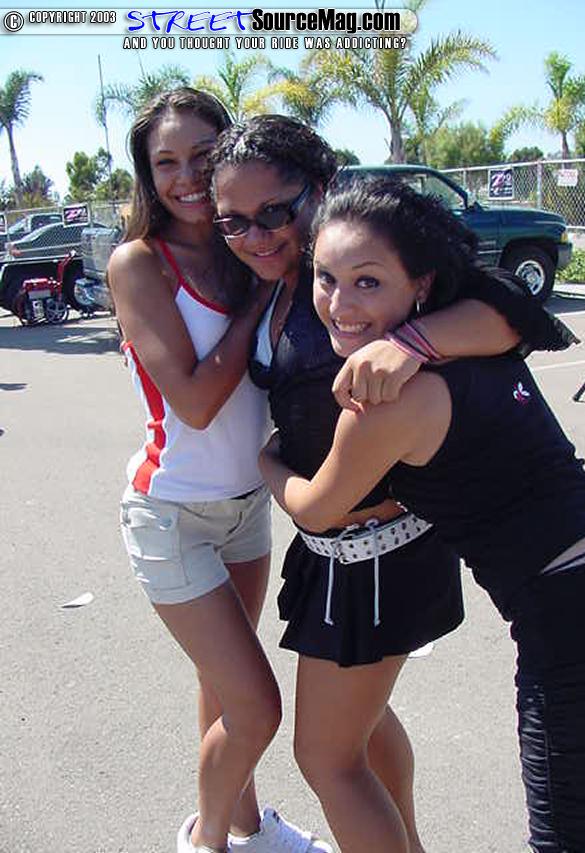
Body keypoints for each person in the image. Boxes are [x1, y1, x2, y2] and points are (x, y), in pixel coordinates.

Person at [208, 115, 576, 853]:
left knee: (329, 758)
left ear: (318, 192)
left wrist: (413, 341)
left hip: (372, 548)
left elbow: (509, 310)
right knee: (363, 732)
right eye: (233, 221)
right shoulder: (291, 283)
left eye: (274, 212)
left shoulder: (360, 278)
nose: (256, 234)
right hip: (342, 551)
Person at [258, 176, 585, 853]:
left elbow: (317, 510)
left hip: (575, 617)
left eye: (368, 281)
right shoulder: (474, 337)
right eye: (326, 279)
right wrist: (413, 339)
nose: (340, 304)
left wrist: (268, 462)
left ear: (421, 284)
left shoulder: (385, 403)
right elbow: (514, 312)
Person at [108, 88, 333, 853]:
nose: (185, 177)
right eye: (165, 162)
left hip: (245, 511)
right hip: (171, 516)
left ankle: (249, 827)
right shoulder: (141, 263)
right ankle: (205, 842)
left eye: (202, 157)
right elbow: (198, 401)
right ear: (147, 175)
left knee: (224, 689)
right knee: (256, 706)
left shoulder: (247, 246)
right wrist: (261, 293)